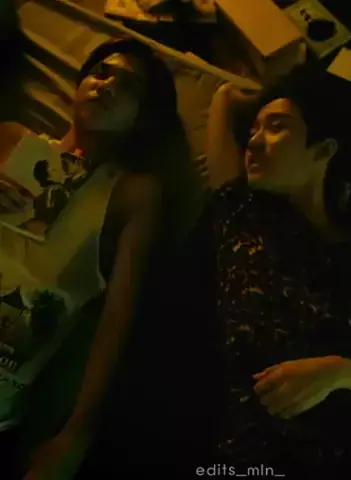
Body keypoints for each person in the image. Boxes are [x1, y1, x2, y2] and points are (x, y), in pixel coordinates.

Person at [191, 66, 351, 477]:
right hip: (244, 457)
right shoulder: (241, 213)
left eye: (276, 127)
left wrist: (340, 372)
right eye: (253, 129)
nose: (253, 141)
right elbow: (223, 100)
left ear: (323, 150)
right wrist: (253, 96)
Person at [0, 37, 187, 479]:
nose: (106, 85)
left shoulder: (132, 193)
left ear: (143, 117)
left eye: (129, 86)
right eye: (101, 72)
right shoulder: (9, 138)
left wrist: (76, 434)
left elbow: (116, 320)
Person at [31, 159, 70, 228]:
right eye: (53, 170)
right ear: (48, 176)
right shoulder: (56, 193)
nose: (59, 169)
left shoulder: (65, 185)